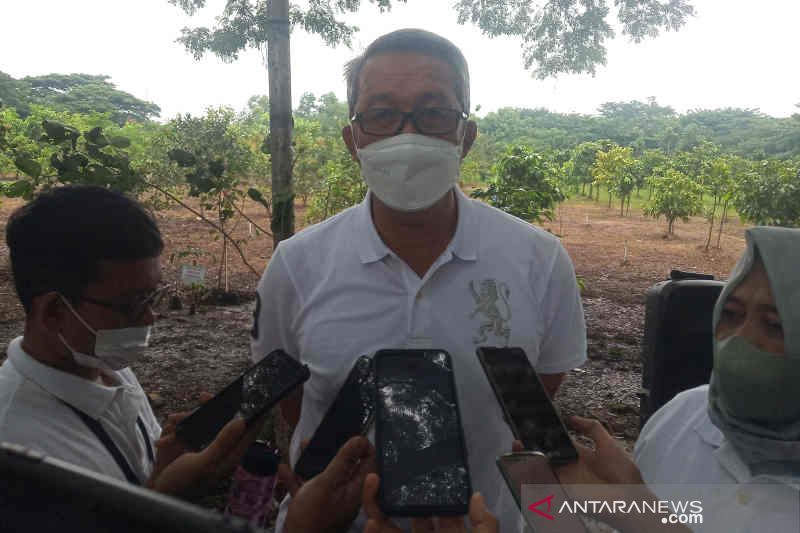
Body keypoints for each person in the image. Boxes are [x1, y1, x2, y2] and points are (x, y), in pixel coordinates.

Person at [251, 28, 587, 531]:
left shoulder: (539, 260)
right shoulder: (297, 265)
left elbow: (537, 395)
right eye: (382, 114)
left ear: (465, 136)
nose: (408, 135)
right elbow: (294, 400)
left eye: (434, 113)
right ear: (354, 139)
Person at [0, 185, 261, 497]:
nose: (150, 319)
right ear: (53, 311)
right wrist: (171, 497)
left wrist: (166, 460)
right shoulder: (18, 454)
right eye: (132, 304)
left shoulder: (104, 366)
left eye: (153, 297)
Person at [554, 226, 800, 532]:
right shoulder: (683, 417)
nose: (742, 338)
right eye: (733, 314)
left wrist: (641, 515)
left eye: (775, 325)